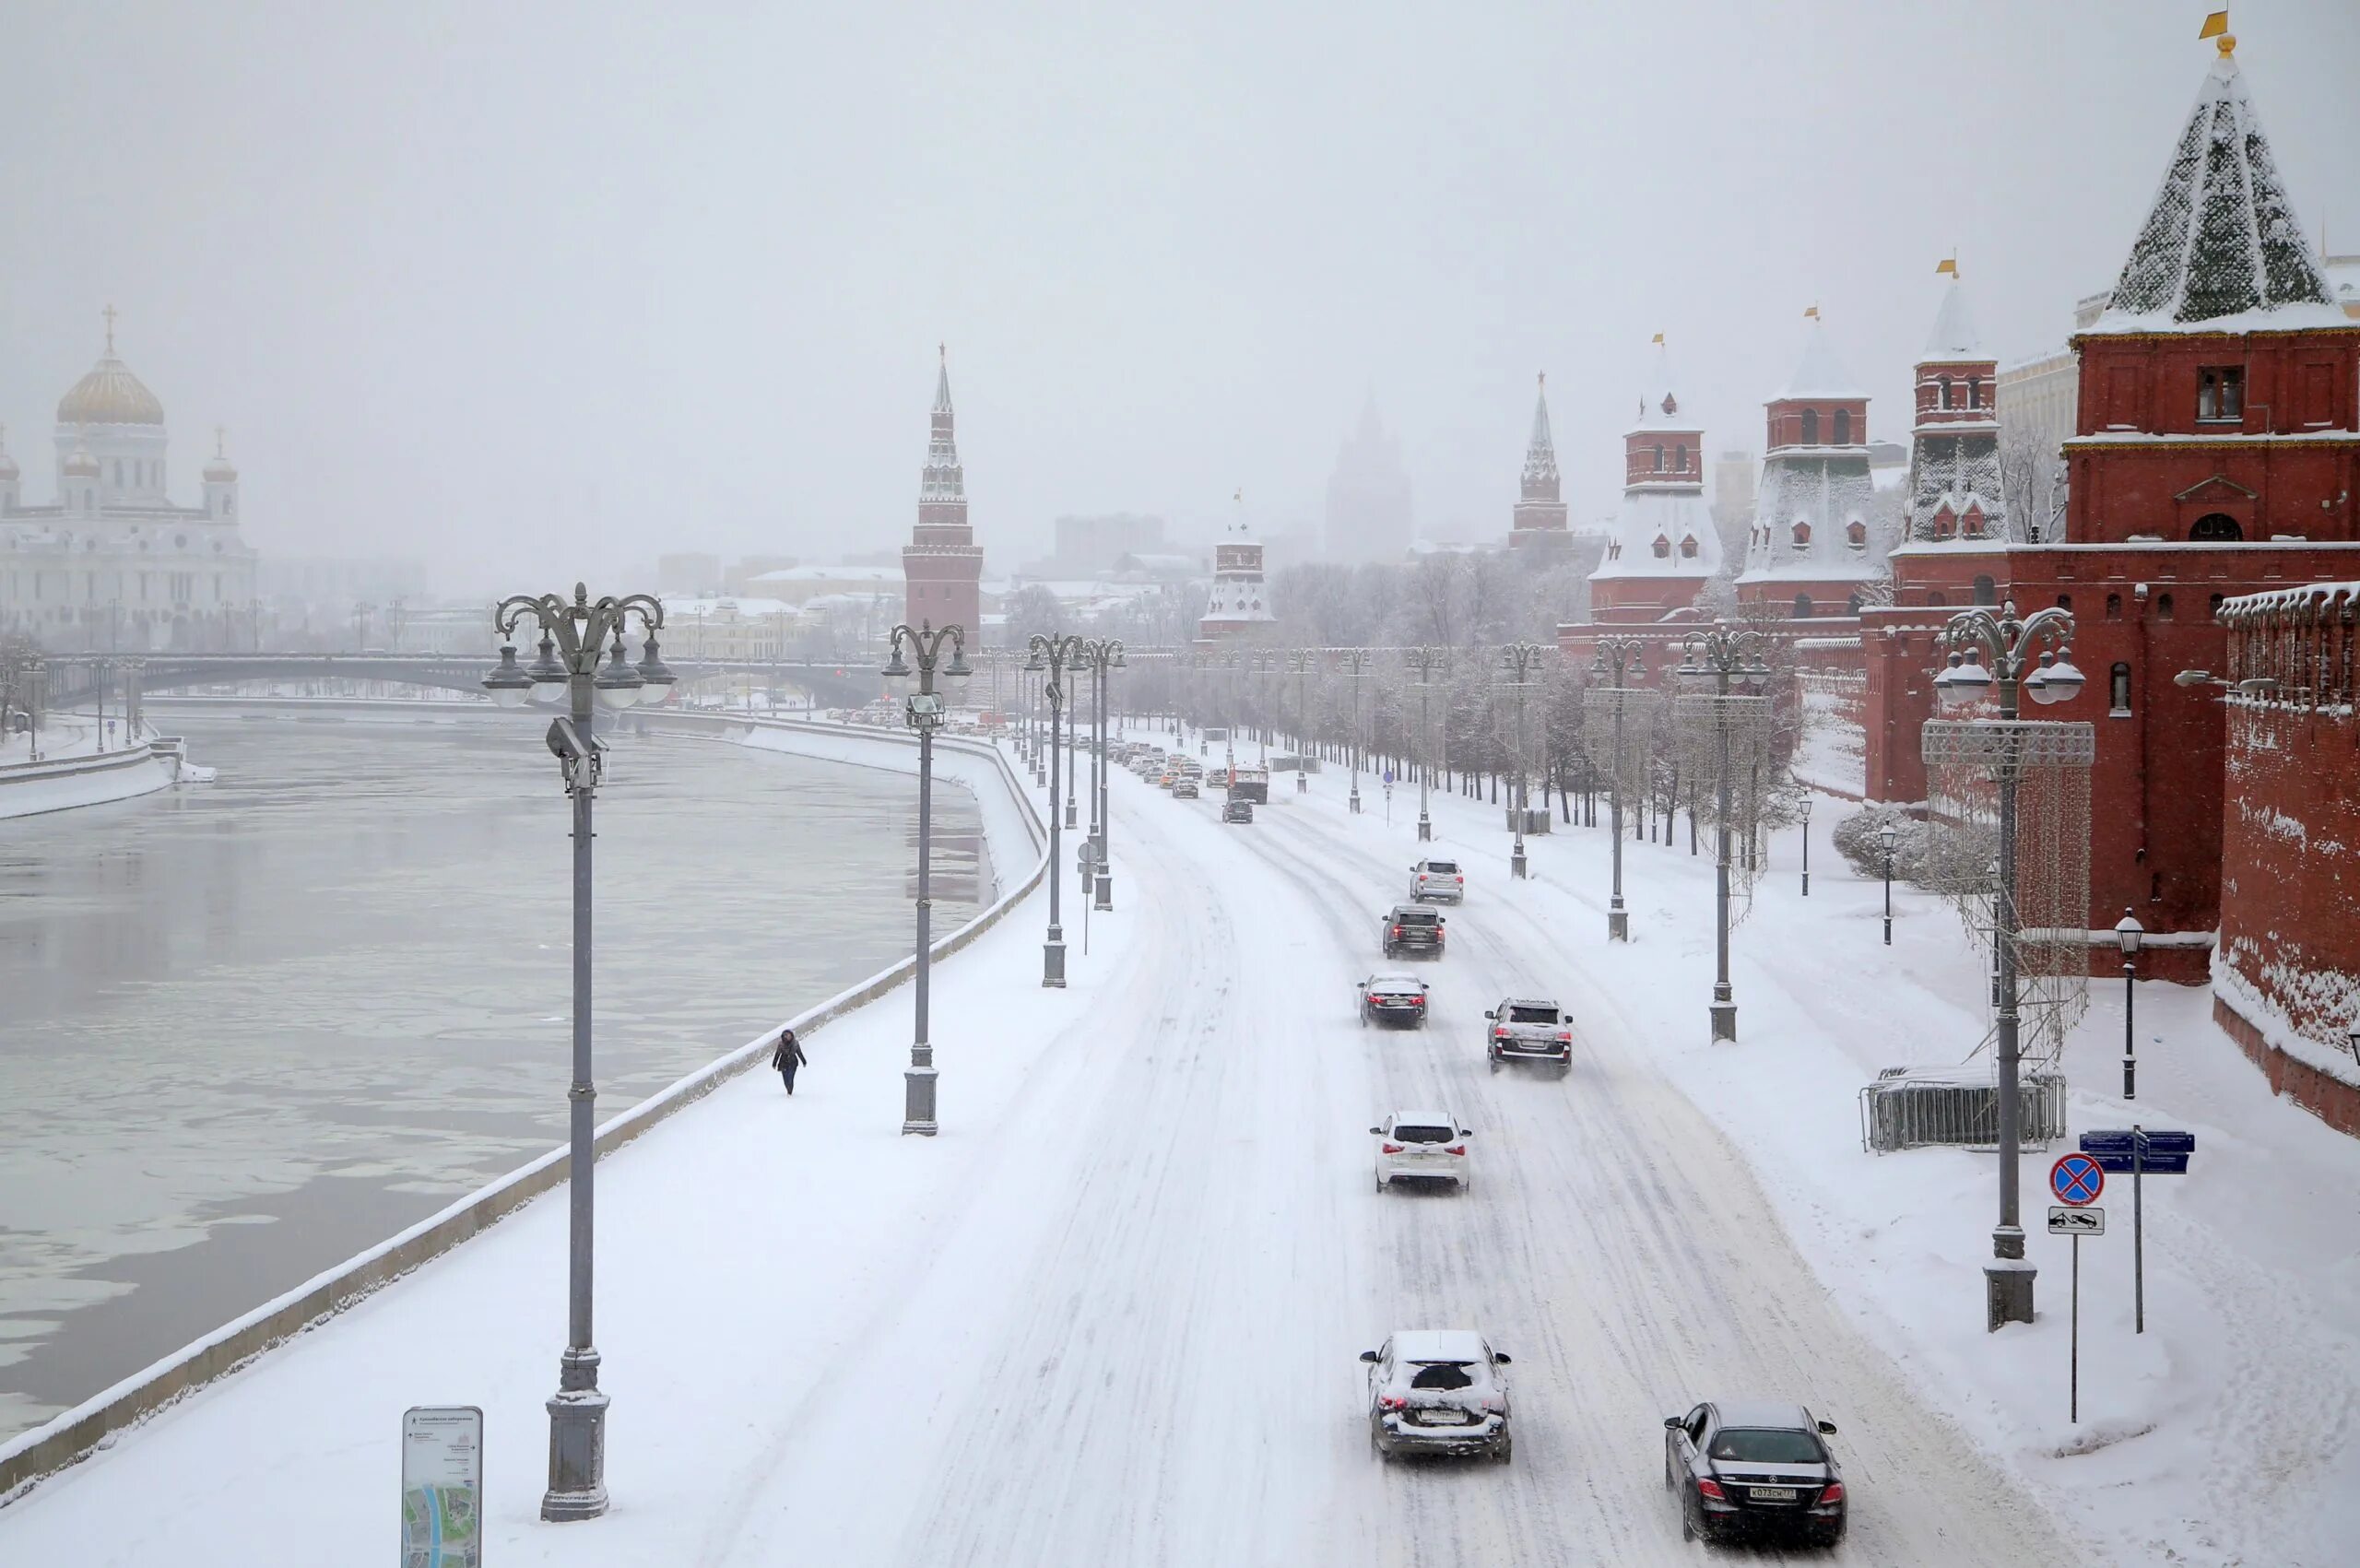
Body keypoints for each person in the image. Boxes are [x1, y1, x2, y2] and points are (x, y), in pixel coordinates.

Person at [771, 1027, 807, 1094]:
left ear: (791, 1035)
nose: (787, 1037)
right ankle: (788, 1089)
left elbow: (799, 1053)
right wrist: (774, 1064)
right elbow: (777, 1054)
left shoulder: (795, 1043)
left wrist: (804, 1061)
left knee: (790, 1078)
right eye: (785, 1035)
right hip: (783, 1062)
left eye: (788, 1035)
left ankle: (790, 1092)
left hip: (793, 1062)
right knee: (785, 1079)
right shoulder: (781, 1044)